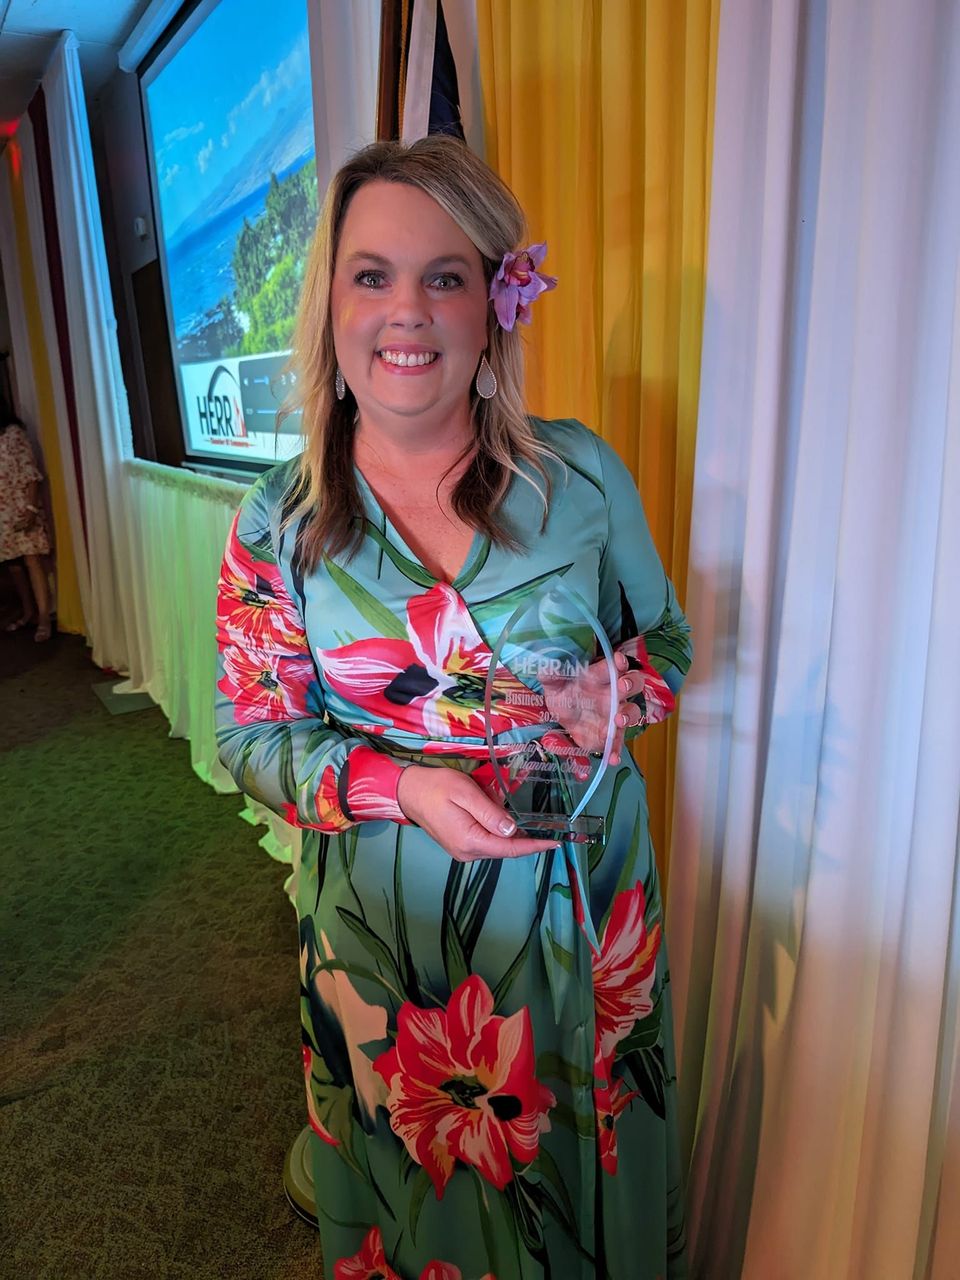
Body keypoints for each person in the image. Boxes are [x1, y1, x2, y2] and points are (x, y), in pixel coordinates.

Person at [215, 137, 692, 1280]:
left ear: (493, 304)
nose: (406, 311)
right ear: (328, 306)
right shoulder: (277, 525)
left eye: (445, 274)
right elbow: (250, 735)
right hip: (396, 947)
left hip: (581, 918)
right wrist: (402, 784)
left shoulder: (579, 476)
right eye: (371, 273)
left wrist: (613, 694)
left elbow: (667, 642)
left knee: (580, 1188)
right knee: (425, 1204)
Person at [0, 395, 52, 642]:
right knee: (13, 564)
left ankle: (44, 616)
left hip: (21, 505)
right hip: (2, 510)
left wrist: (31, 509)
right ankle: (28, 612)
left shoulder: (14, 434)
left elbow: (31, 473)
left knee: (32, 561)